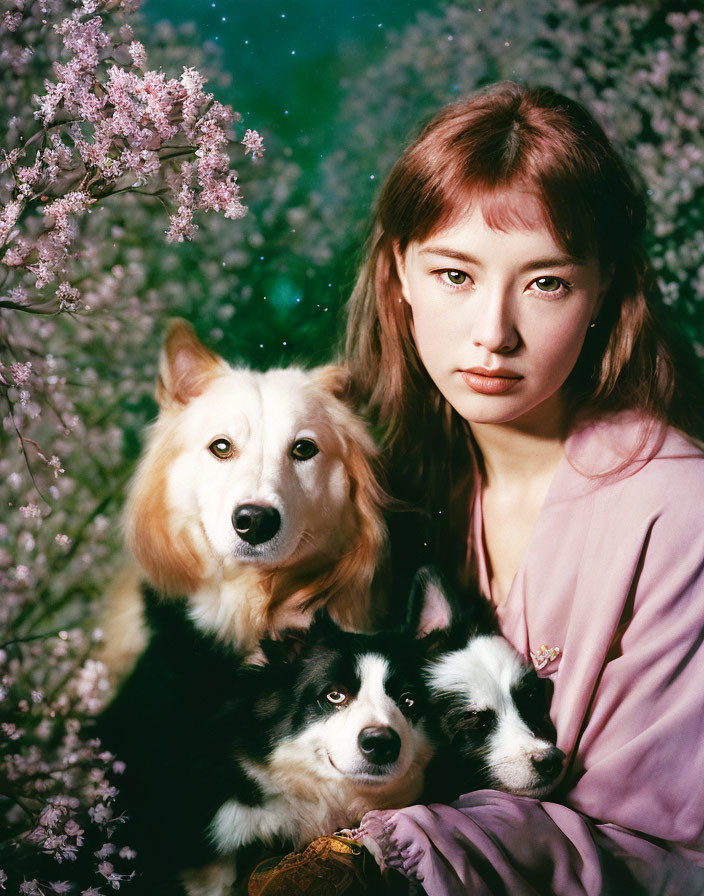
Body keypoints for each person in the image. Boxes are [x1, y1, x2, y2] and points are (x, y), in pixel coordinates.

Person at [344, 82, 704, 895]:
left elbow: (661, 848)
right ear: (399, 271)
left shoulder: (680, 511)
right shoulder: (408, 492)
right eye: (454, 274)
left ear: (603, 288)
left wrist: (399, 852)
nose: (492, 333)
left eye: (545, 283)